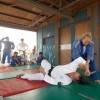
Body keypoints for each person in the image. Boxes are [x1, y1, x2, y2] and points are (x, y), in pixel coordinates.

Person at [17, 57, 95, 85]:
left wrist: (43, 73)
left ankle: (22, 75)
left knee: (31, 77)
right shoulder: (73, 67)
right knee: (43, 61)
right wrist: (87, 69)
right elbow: (82, 60)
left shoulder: (67, 81)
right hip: (50, 67)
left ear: (74, 79)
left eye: (74, 75)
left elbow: (53, 82)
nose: (73, 73)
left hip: (47, 75)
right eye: (75, 72)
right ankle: (40, 67)